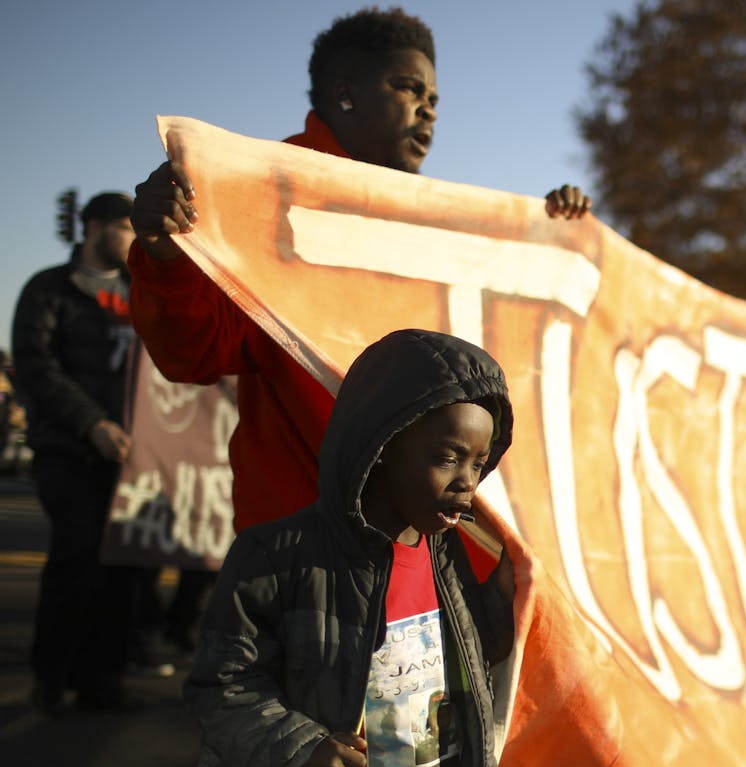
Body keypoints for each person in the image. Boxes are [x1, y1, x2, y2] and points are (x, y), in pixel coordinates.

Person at [127, 6, 590, 537]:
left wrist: (556, 234)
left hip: (416, 548)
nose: (428, 110)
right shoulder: (259, 197)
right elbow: (193, 355)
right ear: (346, 93)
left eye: (434, 99)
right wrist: (165, 255)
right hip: (302, 545)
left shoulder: (427, 224)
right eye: (409, 88)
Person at [185, 328, 517, 767]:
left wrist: (504, 601)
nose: (467, 482)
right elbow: (221, 684)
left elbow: (465, 673)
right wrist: (298, 750)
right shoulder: (277, 555)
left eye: (479, 463)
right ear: (383, 446)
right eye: (448, 457)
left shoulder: (451, 560)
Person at [12, 191, 149, 714]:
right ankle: (51, 678)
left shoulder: (142, 292)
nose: (134, 240)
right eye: (125, 229)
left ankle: (104, 682)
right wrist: (90, 423)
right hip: (68, 452)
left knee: (123, 570)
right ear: (94, 228)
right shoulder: (50, 290)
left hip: (131, 456)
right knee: (76, 560)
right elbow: (37, 368)